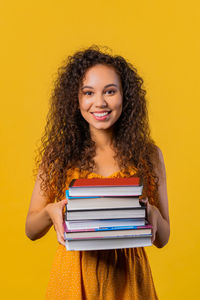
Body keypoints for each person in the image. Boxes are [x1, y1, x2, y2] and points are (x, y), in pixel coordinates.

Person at [25, 45, 170, 299]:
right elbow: (31, 230)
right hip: (73, 278)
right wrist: (50, 212)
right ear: (76, 99)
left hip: (130, 280)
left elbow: (164, 238)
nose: (100, 102)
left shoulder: (149, 155)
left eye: (110, 91)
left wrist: (153, 213)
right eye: (88, 93)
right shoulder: (57, 156)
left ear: (125, 96)